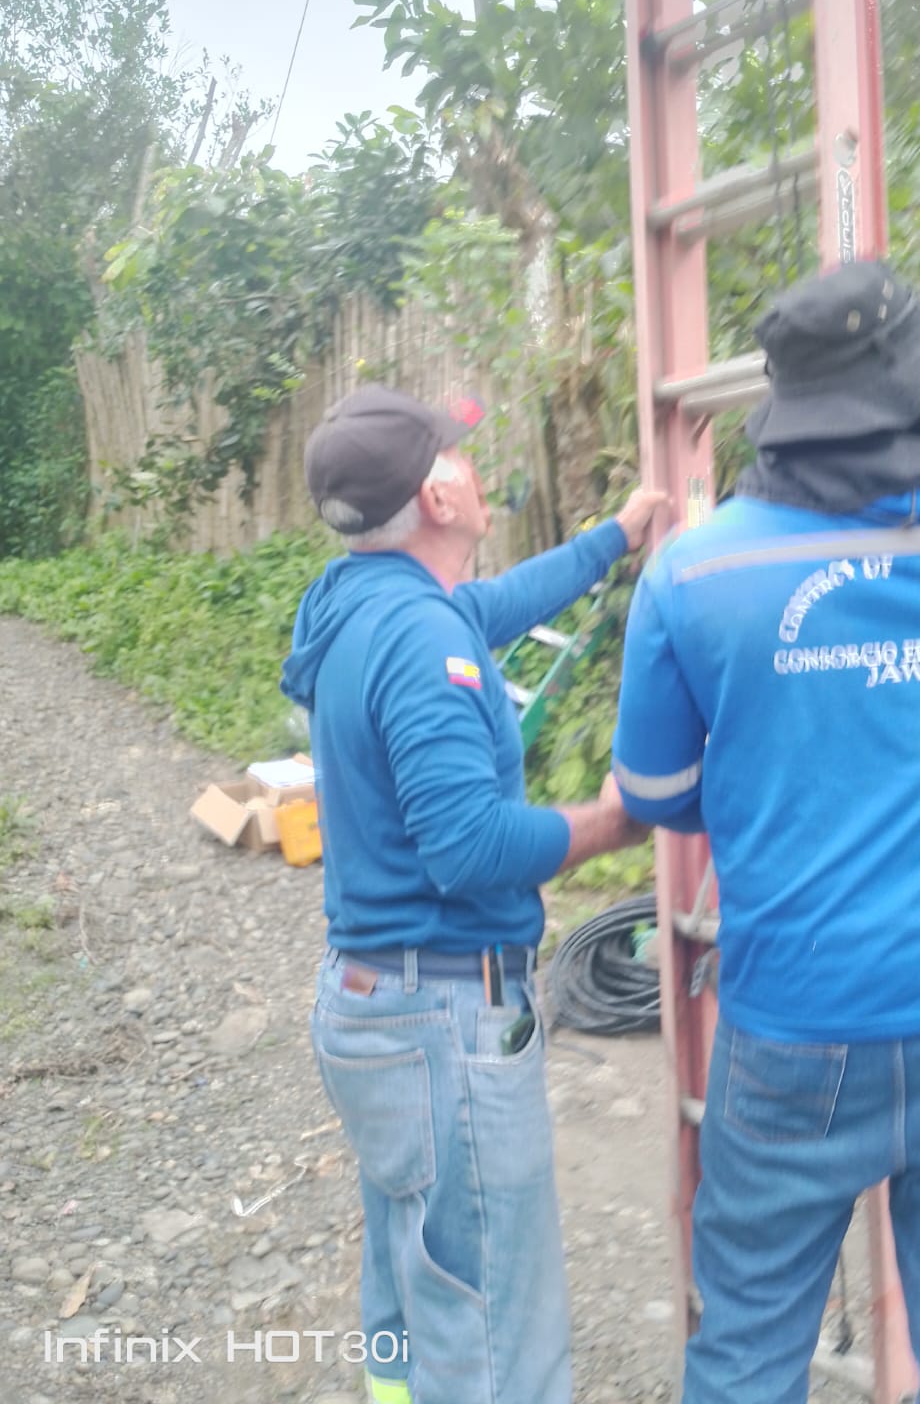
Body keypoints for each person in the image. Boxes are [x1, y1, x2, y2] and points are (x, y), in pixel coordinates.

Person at [611, 260, 920, 1404]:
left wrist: (775, 778)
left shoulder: (695, 572)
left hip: (798, 1029)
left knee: (747, 1354)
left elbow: (654, 789)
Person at [281, 384, 659, 1404]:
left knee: (417, 1275)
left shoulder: (363, 603)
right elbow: (469, 845)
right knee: (496, 1325)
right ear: (437, 498)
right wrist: (615, 820)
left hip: (376, 1006)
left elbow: (500, 604)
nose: (477, 465)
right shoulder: (421, 641)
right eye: (458, 453)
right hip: (443, 1018)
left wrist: (615, 537)